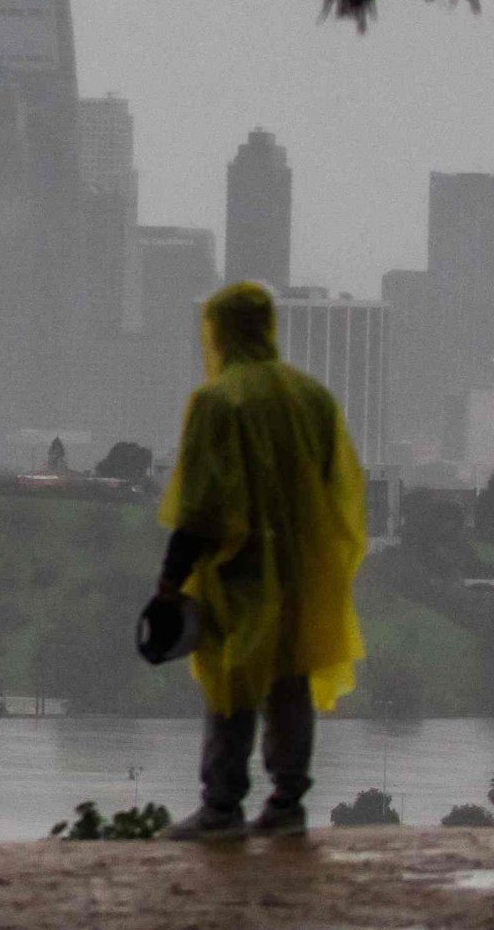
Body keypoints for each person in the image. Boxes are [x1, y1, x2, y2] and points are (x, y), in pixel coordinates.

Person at [138, 279, 368, 837]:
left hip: (236, 570)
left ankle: (221, 807)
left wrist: (170, 582)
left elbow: (197, 502)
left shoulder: (218, 401)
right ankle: (287, 806)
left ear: (217, 332)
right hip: (304, 568)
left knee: (230, 684)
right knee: (290, 682)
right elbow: (340, 487)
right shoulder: (311, 396)